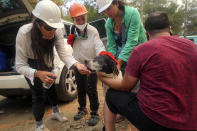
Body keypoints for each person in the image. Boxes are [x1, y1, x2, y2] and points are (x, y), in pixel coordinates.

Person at [97, 12, 197, 131]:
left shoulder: (141, 50)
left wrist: (103, 78)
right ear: (170, 29)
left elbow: (125, 86)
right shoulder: (193, 47)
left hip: (157, 121)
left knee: (111, 95)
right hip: (191, 121)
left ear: (146, 33)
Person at [15, 1, 90, 131]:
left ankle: (55, 112)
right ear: (37, 23)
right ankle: (39, 126)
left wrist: (77, 65)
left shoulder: (56, 31)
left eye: (54, 28)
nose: (52, 31)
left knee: (51, 89)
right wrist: (38, 73)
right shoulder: (24, 33)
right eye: (48, 28)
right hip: (32, 65)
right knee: (38, 94)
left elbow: (63, 54)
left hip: (47, 62)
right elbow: (19, 65)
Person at [96, 0, 147, 122]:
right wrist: (112, 62)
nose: (107, 13)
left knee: (137, 82)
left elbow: (132, 41)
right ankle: (123, 109)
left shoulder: (133, 13)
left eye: (108, 9)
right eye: (104, 11)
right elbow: (112, 46)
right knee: (121, 82)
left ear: (116, 3)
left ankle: (141, 110)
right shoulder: (108, 23)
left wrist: (118, 63)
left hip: (139, 51)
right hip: (121, 54)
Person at [67, 3, 106, 126]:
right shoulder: (72, 29)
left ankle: (94, 112)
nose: (80, 21)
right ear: (72, 20)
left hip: (91, 62)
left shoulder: (93, 30)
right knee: (81, 88)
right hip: (78, 63)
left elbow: (98, 45)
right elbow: (73, 47)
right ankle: (82, 108)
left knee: (91, 89)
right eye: (77, 19)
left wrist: (102, 56)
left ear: (86, 16)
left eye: (82, 18)